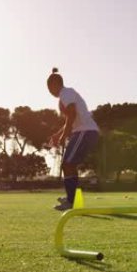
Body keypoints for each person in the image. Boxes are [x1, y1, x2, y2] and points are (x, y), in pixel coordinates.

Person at [47, 68, 100, 211]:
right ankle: (72, 198)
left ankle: (71, 201)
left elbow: (71, 115)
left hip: (85, 131)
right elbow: (69, 120)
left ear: (55, 84)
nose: (49, 91)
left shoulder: (66, 93)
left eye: (49, 87)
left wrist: (64, 136)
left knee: (67, 163)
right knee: (68, 164)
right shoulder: (66, 95)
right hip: (83, 132)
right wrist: (58, 134)